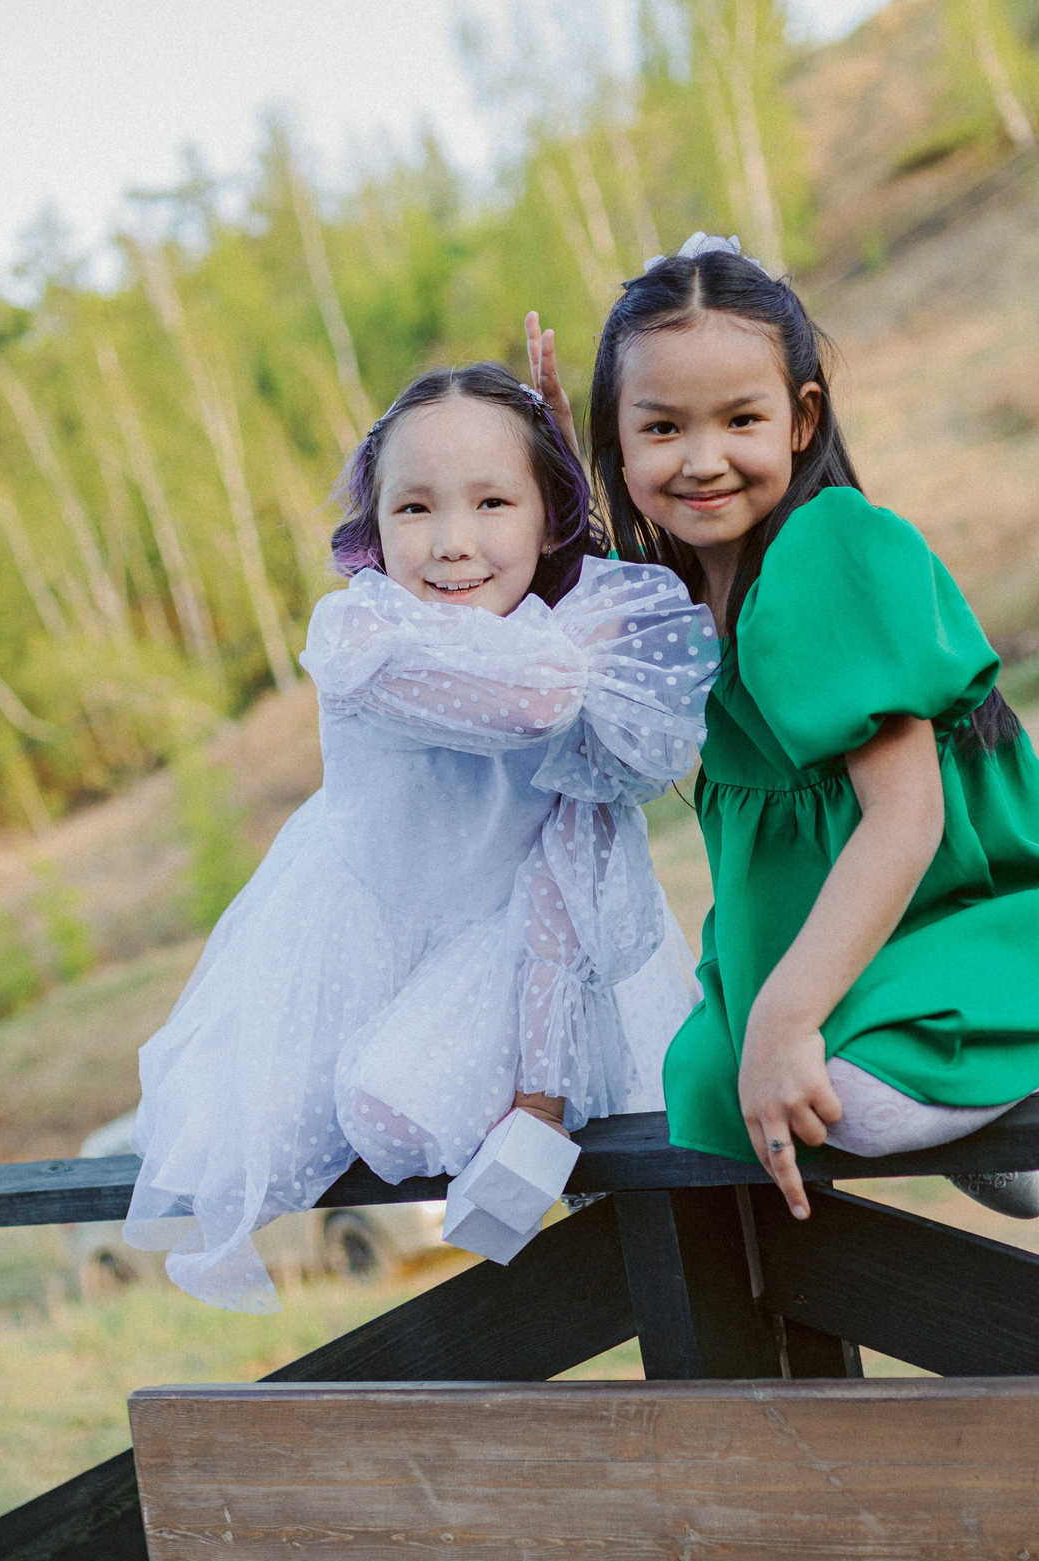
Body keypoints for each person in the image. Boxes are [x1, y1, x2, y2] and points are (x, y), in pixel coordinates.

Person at [548, 234, 1039, 1223]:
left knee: (837, 1098)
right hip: (806, 935)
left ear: (800, 417)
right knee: (705, 1100)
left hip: (951, 914)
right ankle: (959, 1109)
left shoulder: (826, 547)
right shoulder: (678, 595)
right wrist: (559, 484)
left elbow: (902, 820)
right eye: (658, 430)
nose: (701, 460)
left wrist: (785, 1016)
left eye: (740, 420)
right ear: (616, 442)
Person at [128, 362, 718, 1311]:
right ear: (375, 525)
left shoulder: (572, 618)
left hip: (529, 946)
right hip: (369, 937)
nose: (451, 544)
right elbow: (534, 703)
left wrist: (538, 1103)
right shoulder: (365, 632)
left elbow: (594, 809)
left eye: (493, 501)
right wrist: (583, 624)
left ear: (547, 515)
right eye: (413, 509)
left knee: (429, 1107)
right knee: (354, 1124)